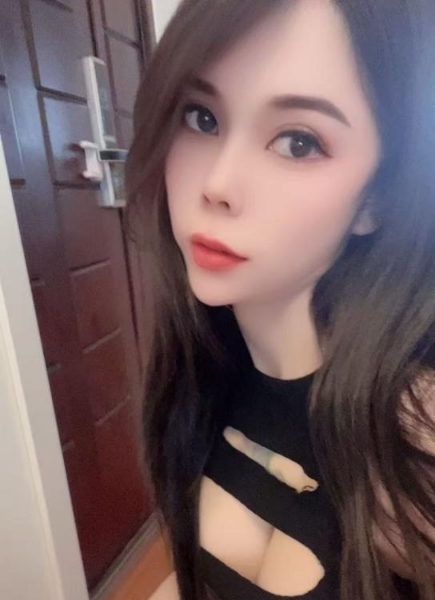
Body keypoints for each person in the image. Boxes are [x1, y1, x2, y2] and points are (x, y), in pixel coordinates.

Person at [124, 1, 435, 599]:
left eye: (297, 142)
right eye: (202, 118)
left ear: (378, 199)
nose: (218, 184)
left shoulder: (409, 435)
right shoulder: (202, 367)